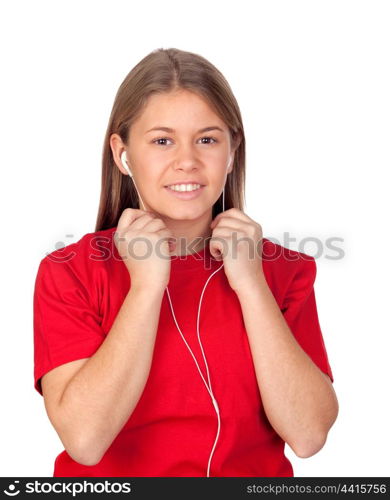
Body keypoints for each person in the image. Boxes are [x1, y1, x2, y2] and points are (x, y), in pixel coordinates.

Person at [33, 47, 338, 478]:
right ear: (122, 153)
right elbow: (84, 440)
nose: (187, 161)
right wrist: (145, 288)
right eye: (162, 140)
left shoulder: (285, 271)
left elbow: (308, 435)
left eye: (208, 139)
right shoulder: (70, 271)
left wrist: (251, 284)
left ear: (232, 151)